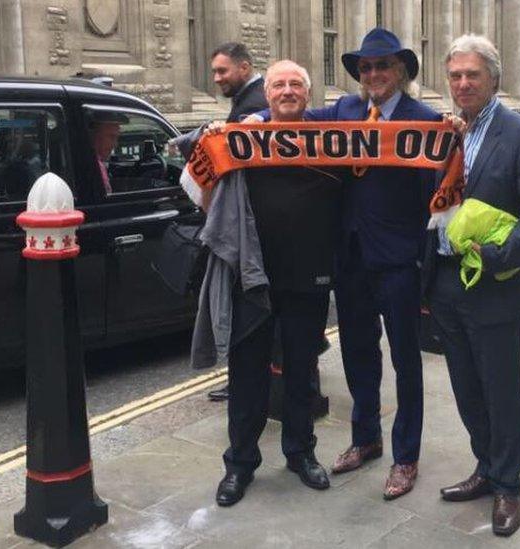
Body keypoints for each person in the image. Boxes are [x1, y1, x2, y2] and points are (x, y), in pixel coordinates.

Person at [250, 27, 440, 500]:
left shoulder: (425, 121)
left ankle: (406, 457)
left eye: (383, 66)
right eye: (366, 67)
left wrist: (425, 266)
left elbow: (436, 202)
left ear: (401, 72)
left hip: (398, 262)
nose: (373, 74)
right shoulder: (344, 111)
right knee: (358, 354)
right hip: (350, 260)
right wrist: (242, 122)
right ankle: (366, 438)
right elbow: (289, 117)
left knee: (404, 361)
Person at [424, 34, 520, 536]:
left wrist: (502, 254)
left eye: (472, 75)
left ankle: (508, 485)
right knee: (465, 387)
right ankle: (485, 466)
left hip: (495, 285)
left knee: (501, 389)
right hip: (444, 283)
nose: (462, 83)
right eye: (455, 75)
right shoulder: (439, 133)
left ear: (494, 80)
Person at [211, 60, 343, 507]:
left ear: (308, 94)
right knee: (246, 374)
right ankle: (240, 465)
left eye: (295, 84)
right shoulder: (244, 135)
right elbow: (202, 181)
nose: (287, 91)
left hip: (309, 275)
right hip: (254, 277)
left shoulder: (333, 137)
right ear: (266, 95)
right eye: (278, 85)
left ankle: (300, 454)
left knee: (301, 374)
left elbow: (376, 115)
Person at [205, 42, 269, 403]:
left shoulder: (254, 104)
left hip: (251, 225)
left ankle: (245, 381)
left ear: (244, 68)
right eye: (215, 72)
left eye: (222, 71)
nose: (216, 78)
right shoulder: (246, 102)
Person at [88, 112, 126, 195]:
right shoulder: (93, 165)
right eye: (111, 137)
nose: (115, 144)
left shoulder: (96, 162)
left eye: (116, 138)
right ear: (94, 135)